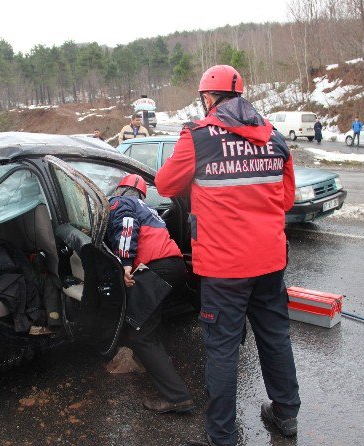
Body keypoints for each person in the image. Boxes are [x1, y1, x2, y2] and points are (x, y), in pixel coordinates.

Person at [155, 65, 300, 446]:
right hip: (270, 261)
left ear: (208, 98)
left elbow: (165, 183)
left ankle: (221, 435)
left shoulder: (197, 137)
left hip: (225, 267)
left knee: (222, 349)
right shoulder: (276, 138)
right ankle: (286, 414)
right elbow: (285, 199)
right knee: (275, 337)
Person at [106, 174, 193, 415]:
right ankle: (156, 365)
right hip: (175, 266)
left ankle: (177, 396)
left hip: (156, 268)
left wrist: (125, 263)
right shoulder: (150, 209)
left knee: (140, 332)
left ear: (121, 190)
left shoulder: (120, 203)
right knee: (149, 321)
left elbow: (126, 226)